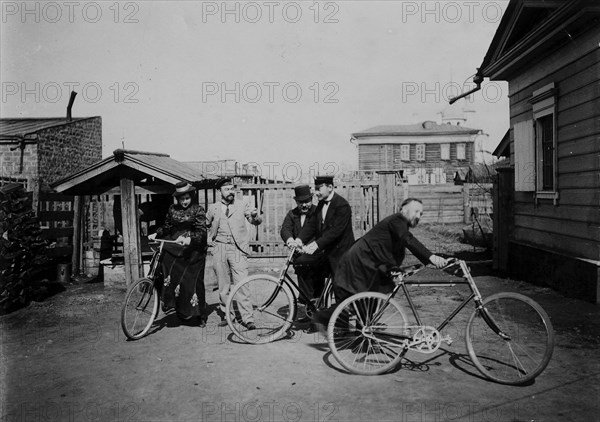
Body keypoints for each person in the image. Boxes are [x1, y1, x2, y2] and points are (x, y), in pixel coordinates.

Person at [311, 198, 449, 327]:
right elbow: (408, 239)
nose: (418, 216)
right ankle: (327, 319)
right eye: (416, 211)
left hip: (369, 263)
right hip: (361, 263)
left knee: (367, 300)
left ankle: (362, 336)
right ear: (403, 209)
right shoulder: (398, 219)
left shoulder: (399, 223)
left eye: (421, 213)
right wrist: (431, 257)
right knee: (362, 299)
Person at [148, 181, 208, 327]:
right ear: (177, 199)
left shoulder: (197, 210)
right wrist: (156, 233)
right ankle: (169, 300)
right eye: (182, 199)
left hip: (193, 249)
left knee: (194, 282)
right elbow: (168, 226)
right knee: (166, 266)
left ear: (191, 197)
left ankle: (200, 315)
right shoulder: (172, 209)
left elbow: (202, 232)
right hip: (175, 244)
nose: (184, 201)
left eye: (187, 198)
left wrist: (189, 239)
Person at [206, 178, 263, 328]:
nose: (230, 191)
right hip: (220, 248)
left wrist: (255, 215)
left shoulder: (242, 204)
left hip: (238, 249)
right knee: (223, 285)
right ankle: (227, 315)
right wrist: (208, 238)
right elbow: (204, 225)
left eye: (232, 189)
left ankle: (248, 318)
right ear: (219, 192)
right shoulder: (213, 208)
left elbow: (255, 221)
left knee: (242, 283)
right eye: (227, 189)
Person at [298, 176, 355, 280]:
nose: (315, 193)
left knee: (340, 288)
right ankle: (312, 296)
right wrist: (299, 239)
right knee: (305, 266)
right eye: (315, 189)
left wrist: (316, 244)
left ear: (330, 187)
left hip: (340, 253)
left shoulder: (342, 205)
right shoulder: (321, 203)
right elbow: (312, 224)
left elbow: (335, 231)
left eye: (318, 189)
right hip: (327, 250)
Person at [280, 185, 328, 307]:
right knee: (304, 286)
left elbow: (324, 234)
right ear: (296, 202)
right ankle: (309, 311)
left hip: (316, 255)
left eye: (307, 201)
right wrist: (290, 240)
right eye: (301, 202)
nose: (304, 205)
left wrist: (309, 247)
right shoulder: (292, 214)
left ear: (312, 199)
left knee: (318, 286)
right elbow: (285, 229)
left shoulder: (319, 213)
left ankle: (318, 313)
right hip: (300, 259)